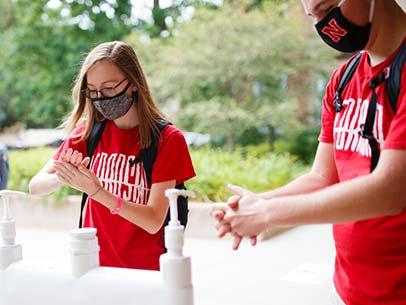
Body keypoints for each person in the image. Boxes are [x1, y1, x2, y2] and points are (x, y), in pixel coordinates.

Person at [212, 1, 406, 304]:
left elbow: (390, 192)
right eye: (313, 16)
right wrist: (258, 202)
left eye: (327, 8)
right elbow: (321, 177)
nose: (325, 26)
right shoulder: (342, 81)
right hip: (347, 288)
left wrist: (266, 214)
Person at [29, 41, 196, 271]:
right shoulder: (88, 132)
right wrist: (68, 176)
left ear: (133, 83)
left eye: (109, 88)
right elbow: (35, 186)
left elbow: (153, 221)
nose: (101, 97)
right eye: (94, 91)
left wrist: (97, 191)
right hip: (93, 267)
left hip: (145, 274)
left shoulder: (168, 139)